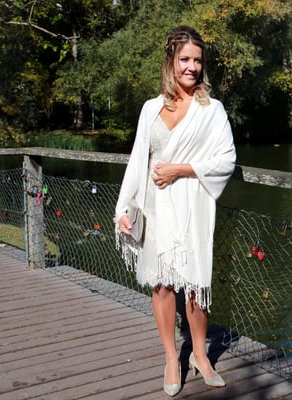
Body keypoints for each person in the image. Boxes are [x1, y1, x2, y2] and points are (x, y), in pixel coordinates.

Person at [114, 25, 236, 397]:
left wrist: (180, 170)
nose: (192, 67)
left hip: (192, 208)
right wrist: (124, 207)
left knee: (196, 285)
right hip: (155, 208)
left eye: (197, 60)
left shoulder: (212, 110)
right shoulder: (150, 108)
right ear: (171, 60)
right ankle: (171, 357)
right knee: (162, 284)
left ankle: (200, 354)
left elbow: (226, 160)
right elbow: (138, 161)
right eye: (185, 59)